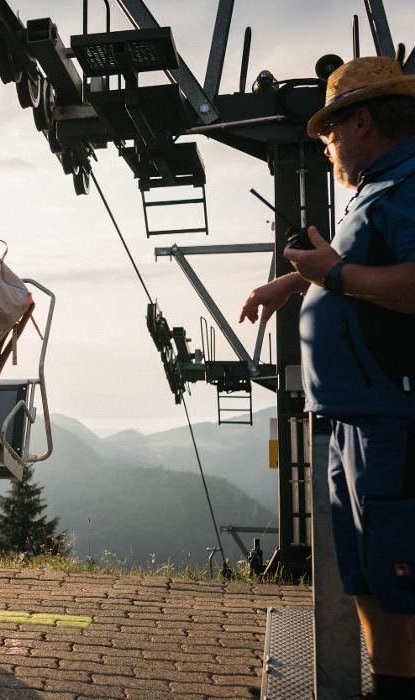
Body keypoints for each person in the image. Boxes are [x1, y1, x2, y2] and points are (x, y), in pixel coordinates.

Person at [239, 56, 415, 697]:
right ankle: (389, 682)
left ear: (362, 120)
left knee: (399, 572)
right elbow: (357, 262)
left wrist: (331, 277)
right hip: (354, 416)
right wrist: (296, 280)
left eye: (330, 131)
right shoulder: (377, 188)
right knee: (369, 571)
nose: (327, 143)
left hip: (390, 418)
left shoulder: (410, 182)